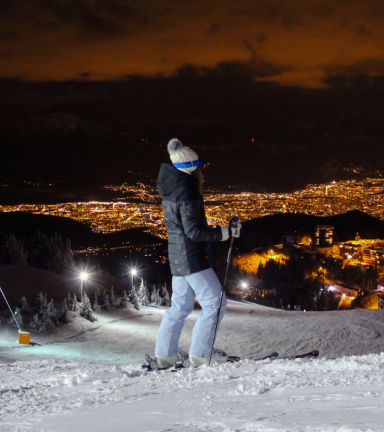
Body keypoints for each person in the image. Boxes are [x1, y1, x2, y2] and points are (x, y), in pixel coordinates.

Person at [154, 138, 241, 369]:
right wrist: (225, 233)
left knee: (179, 308)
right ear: (192, 166)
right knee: (216, 303)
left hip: (177, 257)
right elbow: (194, 232)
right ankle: (201, 355)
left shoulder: (171, 188)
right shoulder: (188, 192)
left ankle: (165, 356)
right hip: (192, 258)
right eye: (199, 163)